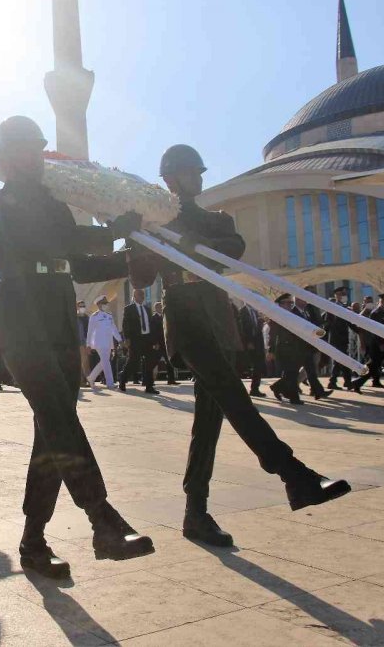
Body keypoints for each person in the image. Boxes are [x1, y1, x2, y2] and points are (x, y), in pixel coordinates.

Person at [129, 144, 350, 549]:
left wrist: (191, 239)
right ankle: (292, 473)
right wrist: (135, 236)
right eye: (189, 173)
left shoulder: (214, 219)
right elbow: (142, 279)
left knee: (209, 422)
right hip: (184, 316)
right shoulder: (153, 221)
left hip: (216, 314)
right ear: (170, 178)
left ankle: (195, 513)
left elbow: (233, 247)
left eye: (199, 171)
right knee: (234, 397)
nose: (198, 179)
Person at [0, 115, 154, 577]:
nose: (32, 157)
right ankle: (102, 519)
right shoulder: (2, 205)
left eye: (36, 148)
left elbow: (77, 264)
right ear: (4, 157)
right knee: (58, 421)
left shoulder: (55, 204)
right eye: (21, 149)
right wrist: (113, 230)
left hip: (59, 319)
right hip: (24, 322)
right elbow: (54, 239)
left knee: (52, 432)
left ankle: (33, 543)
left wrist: (127, 258)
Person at [293, 292, 332, 400]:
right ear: (298, 300)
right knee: (294, 371)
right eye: (304, 299)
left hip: (309, 345)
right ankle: (280, 387)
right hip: (299, 347)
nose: (306, 301)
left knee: (311, 370)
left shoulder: (306, 311)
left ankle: (317, 391)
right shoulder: (294, 312)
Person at [120, 288, 159, 394]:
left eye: (143, 295)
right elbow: (125, 325)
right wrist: (126, 338)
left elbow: (151, 325)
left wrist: (154, 341)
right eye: (139, 295)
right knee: (133, 361)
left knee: (149, 363)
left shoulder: (147, 309)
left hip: (147, 339)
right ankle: (122, 380)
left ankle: (149, 386)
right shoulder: (129, 309)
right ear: (134, 296)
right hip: (135, 339)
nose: (142, 297)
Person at [268, 294, 305, 404]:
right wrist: (271, 351)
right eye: (287, 303)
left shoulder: (293, 315)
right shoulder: (276, 316)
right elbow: (272, 335)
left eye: (291, 303)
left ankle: (280, 389)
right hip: (283, 349)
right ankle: (293, 397)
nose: (290, 305)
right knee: (291, 374)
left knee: (291, 374)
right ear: (281, 304)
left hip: (295, 348)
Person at [86, 295, 121, 389]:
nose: (106, 305)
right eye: (104, 303)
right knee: (106, 362)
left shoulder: (109, 316)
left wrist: (120, 339)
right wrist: (88, 344)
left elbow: (114, 329)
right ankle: (110, 383)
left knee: (104, 362)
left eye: (106, 303)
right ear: (98, 304)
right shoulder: (94, 316)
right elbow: (90, 332)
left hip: (108, 343)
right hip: (99, 343)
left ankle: (91, 377)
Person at [323, 286, 355, 391]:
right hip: (336, 337)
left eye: (345, 294)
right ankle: (338, 381)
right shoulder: (332, 307)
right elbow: (327, 323)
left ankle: (344, 381)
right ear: (336, 295)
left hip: (343, 337)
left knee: (342, 359)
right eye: (342, 294)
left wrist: (358, 330)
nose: (344, 296)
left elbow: (349, 322)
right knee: (340, 359)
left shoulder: (345, 307)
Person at [237, 302, 265, 396]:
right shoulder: (242, 311)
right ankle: (237, 389)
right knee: (242, 367)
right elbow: (242, 328)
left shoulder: (256, 312)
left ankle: (255, 389)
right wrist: (248, 342)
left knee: (259, 366)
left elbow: (257, 327)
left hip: (258, 344)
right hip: (247, 344)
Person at [152, 301, 179, 386]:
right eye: (159, 307)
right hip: (158, 344)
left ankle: (171, 380)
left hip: (166, 343)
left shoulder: (165, 317)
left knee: (169, 361)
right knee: (153, 362)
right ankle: (148, 380)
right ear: (156, 308)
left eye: (161, 306)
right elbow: (153, 332)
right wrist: (155, 343)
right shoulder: (153, 318)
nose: (161, 308)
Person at [76, 300, 91, 387]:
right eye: (81, 306)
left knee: (84, 362)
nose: (82, 308)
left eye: (83, 306)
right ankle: (89, 380)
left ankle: (82, 381)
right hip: (80, 342)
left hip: (87, 341)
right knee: (85, 362)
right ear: (77, 307)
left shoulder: (87, 317)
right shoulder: (75, 318)